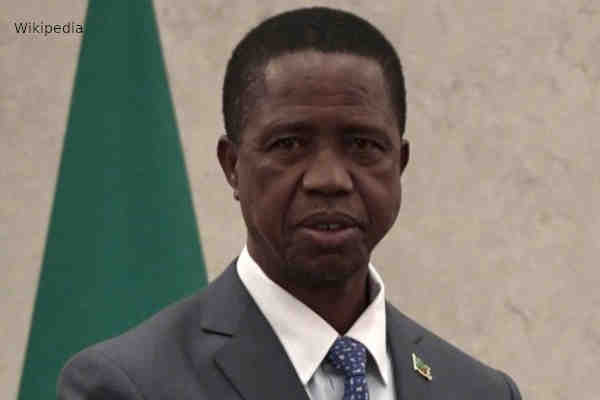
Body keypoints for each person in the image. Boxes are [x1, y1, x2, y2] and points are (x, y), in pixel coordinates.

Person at [58, 7, 522, 400]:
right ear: (232, 165)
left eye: (362, 145)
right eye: (290, 144)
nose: (329, 179)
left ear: (398, 164)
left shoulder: (479, 391)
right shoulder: (128, 385)